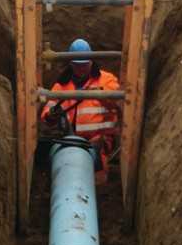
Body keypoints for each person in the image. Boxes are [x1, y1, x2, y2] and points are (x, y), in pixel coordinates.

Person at [40, 38, 121, 179]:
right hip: (71, 143)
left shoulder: (106, 80)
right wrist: (51, 115)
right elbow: (47, 115)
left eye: (85, 65)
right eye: (77, 65)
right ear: (70, 64)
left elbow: (118, 103)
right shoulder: (61, 85)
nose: (81, 69)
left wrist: (102, 94)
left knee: (98, 177)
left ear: (91, 61)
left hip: (99, 142)